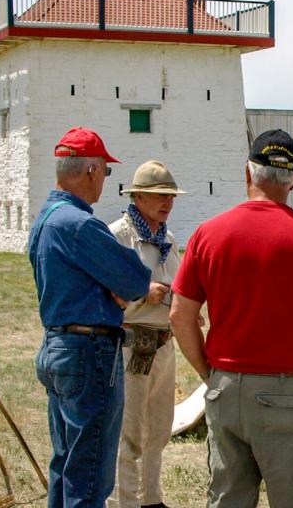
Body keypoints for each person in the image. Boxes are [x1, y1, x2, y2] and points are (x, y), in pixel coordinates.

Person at [170, 129, 293, 508]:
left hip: (227, 390)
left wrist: (211, 374)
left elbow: (179, 316)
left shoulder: (208, 235)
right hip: (290, 394)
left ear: (247, 174)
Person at [27, 127, 154, 508]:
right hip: (89, 351)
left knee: (67, 465)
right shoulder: (79, 224)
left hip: (59, 345)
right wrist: (115, 290)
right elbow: (135, 280)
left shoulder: (45, 219)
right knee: (90, 474)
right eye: (106, 172)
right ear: (92, 172)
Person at [107, 160, 188, 508]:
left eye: (170, 196)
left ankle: (151, 499)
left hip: (163, 344)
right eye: (158, 196)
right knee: (130, 433)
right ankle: (125, 501)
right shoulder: (118, 237)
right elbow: (106, 296)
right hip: (130, 345)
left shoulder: (166, 240)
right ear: (137, 196)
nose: (166, 202)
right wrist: (144, 294)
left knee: (159, 428)